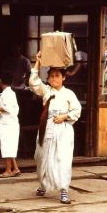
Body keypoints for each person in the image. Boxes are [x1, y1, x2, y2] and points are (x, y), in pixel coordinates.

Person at [29, 51, 82, 204]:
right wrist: (38, 61)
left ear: (64, 77)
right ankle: (43, 185)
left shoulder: (69, 94)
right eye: (51, 76)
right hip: (46, 128)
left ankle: (64, 190)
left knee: (62, 159)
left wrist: (64, 117)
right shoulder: (46, 91)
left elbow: (76, 110)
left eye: (57, 76)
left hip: (63, 130)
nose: (54, 79)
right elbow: (33, 82)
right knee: (42, 157)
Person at [0, 73, 21, 178]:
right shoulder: (10, 93)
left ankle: (8, 170)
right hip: (10, 123)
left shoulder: (7, 94)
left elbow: (8, 108)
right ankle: (15, 168)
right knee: (9, 146)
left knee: (7, 146)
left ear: (1, 81)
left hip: (8, 124)